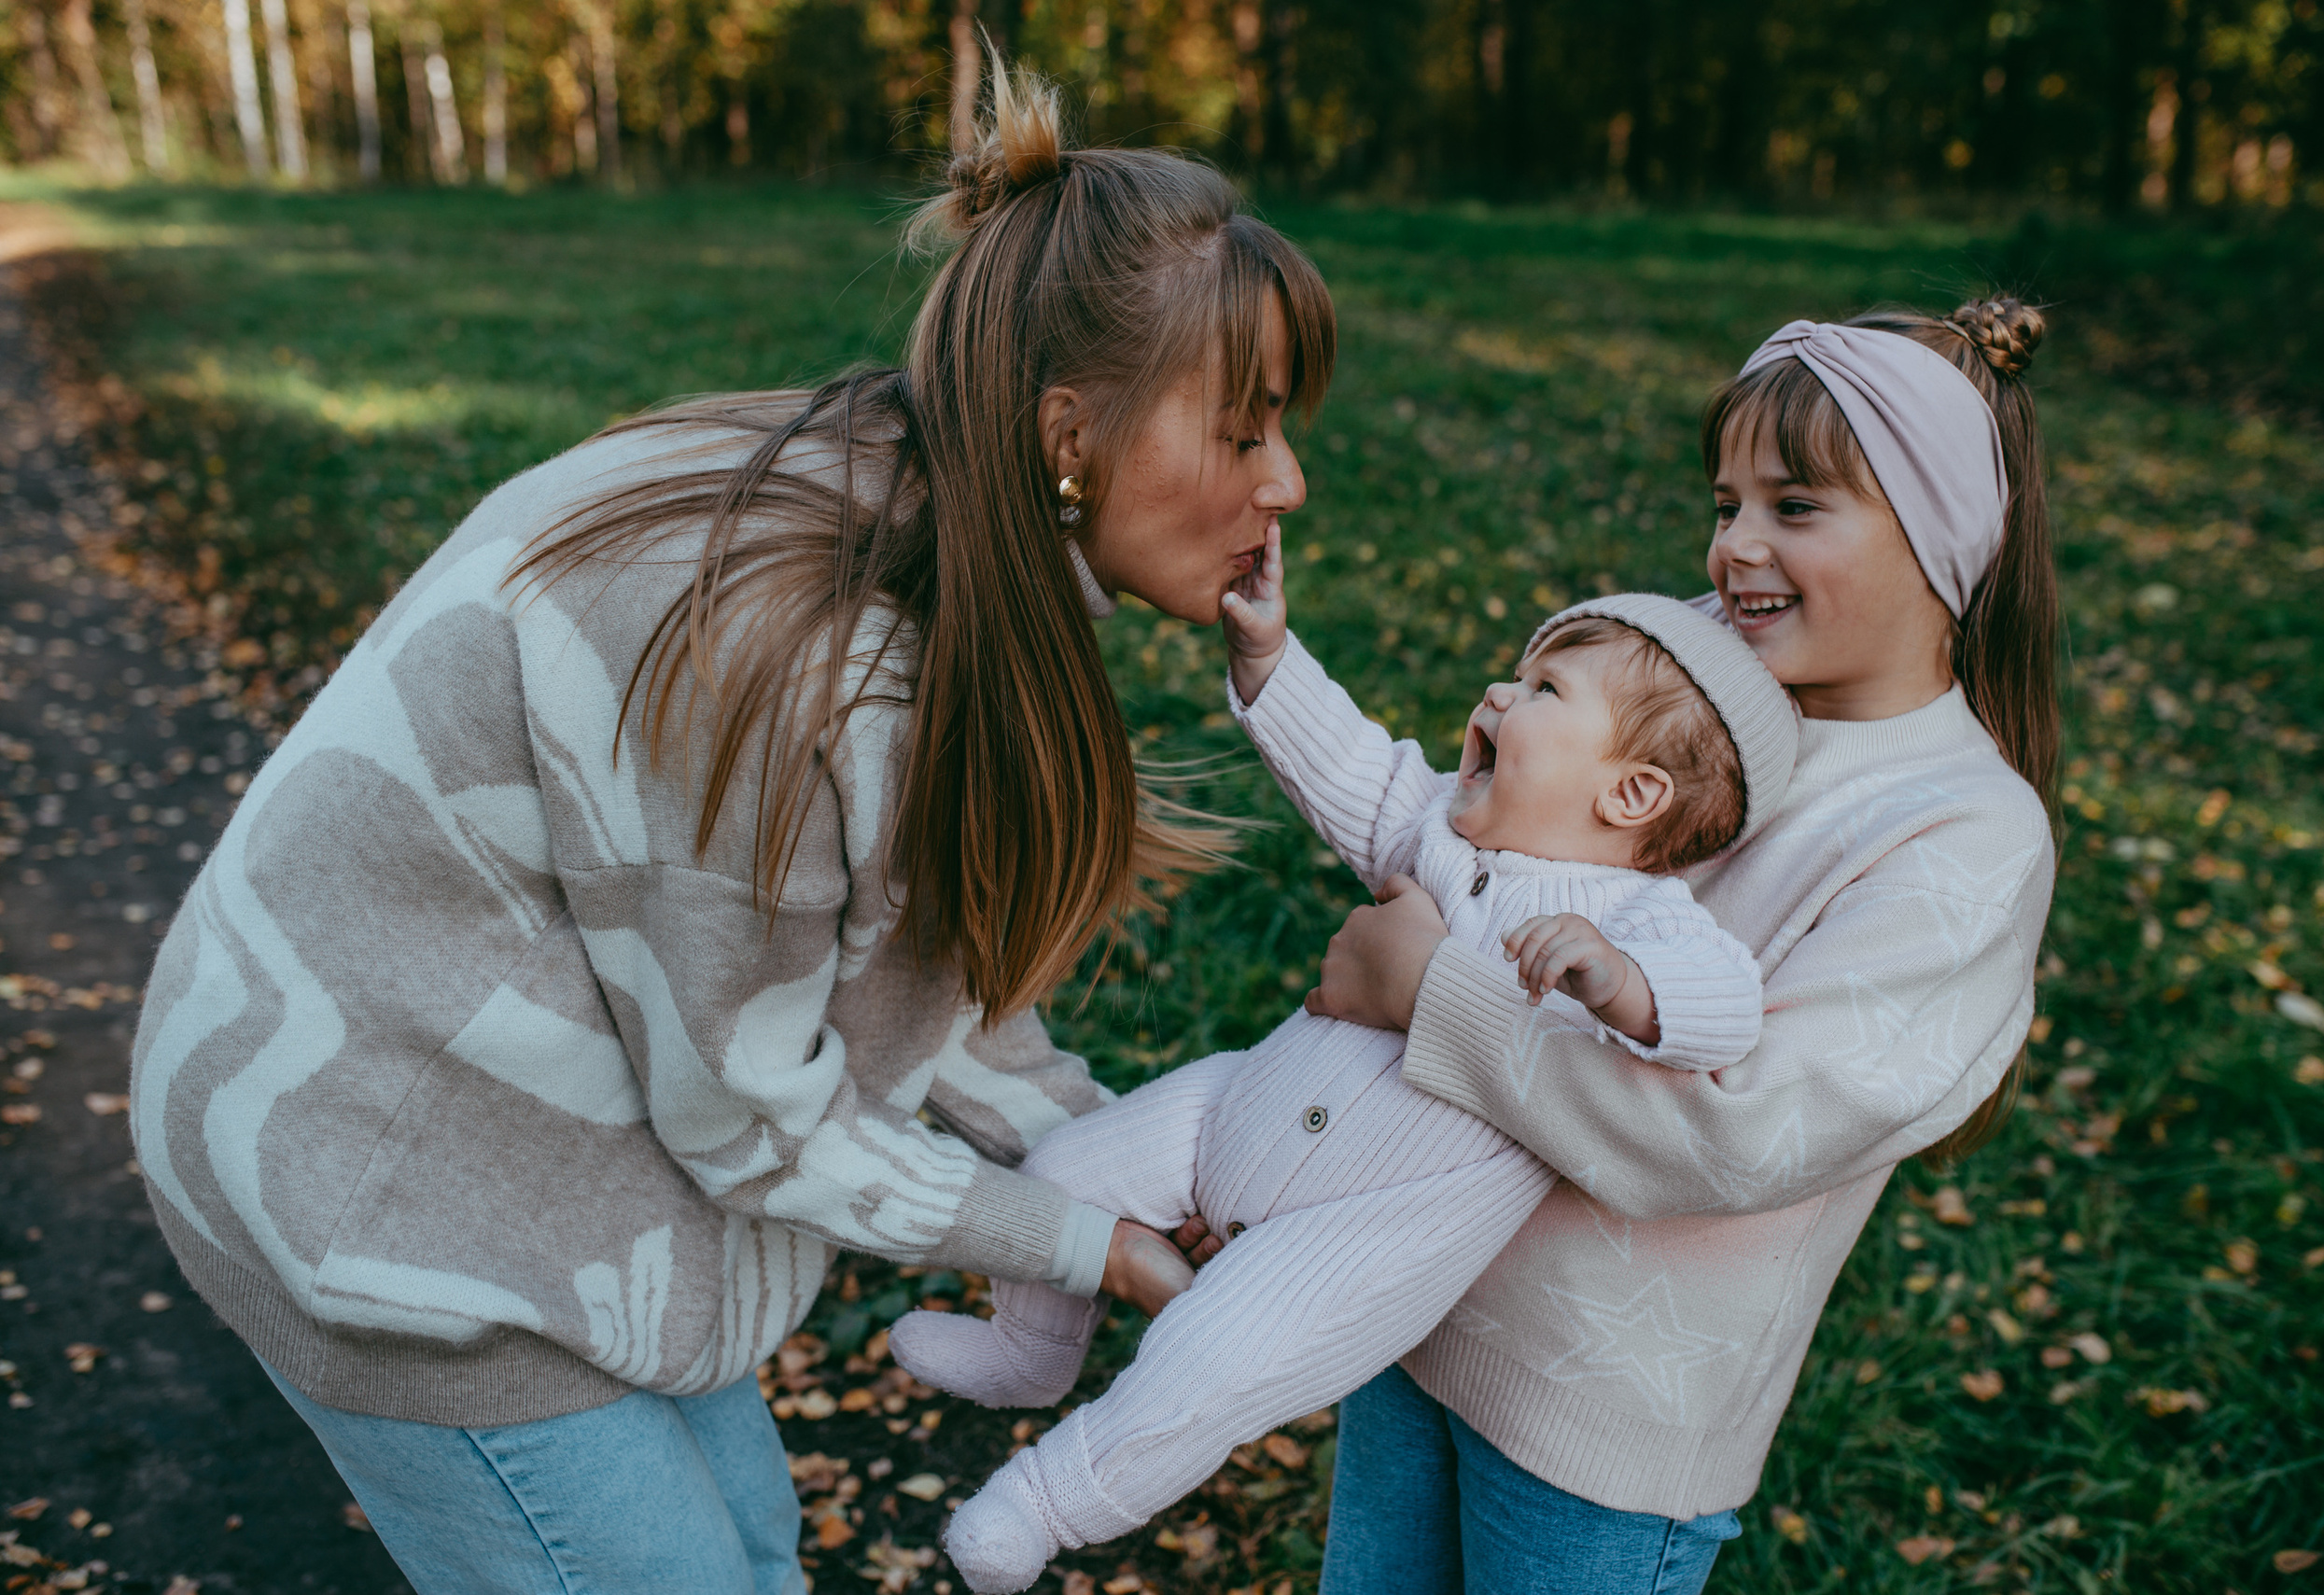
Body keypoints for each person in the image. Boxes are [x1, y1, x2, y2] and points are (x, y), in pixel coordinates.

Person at [124, 63, 1329, 1595]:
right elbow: (750, 1118)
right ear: (1067, 430)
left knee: (749, 1552)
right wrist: (1087, 1240)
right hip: (376, 1176)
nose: (1285, 482)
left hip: (540, 1110)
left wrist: (1117, 1162)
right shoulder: (800, 666)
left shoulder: (927, 503)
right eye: (1242, 430)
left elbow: (909, 961)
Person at [1297, 300, 2062, 1595]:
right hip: (1418, 1301)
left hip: (1601, 1439)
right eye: (1727, 502)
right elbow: (1502, 857)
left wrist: (1429, 989)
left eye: (1795, 507)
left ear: (1943, 543)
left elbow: (1736, 1130)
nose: (1733, 545)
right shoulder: (1699, 698)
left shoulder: (1963, 837)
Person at [893, 584, 1799, 1592]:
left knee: (1212, 1354)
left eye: (1544, 688)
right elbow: (1353, 767)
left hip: (1364, 1228)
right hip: (1232, 1113)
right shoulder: (1439, 830)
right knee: (1065, 1166)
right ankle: (1029, 1345)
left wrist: (1622, 984)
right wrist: (1268, 657)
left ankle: (1043, 1503)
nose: (1498, 692)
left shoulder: (1639, 921)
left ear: (1629, 794)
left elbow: (1729, 1006)